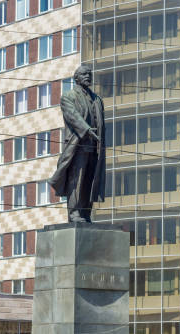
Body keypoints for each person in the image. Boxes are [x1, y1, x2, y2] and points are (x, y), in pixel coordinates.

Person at [49, 64, 105, 223]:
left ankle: (86, 213)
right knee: (77, 180)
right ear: (77, 78)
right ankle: (74, 213)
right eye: (84, 74)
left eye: (90, 73)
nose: (88, 76)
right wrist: (87, 130)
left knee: (90, 180)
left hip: (95, 147)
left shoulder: (97, 100)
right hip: (78, 145)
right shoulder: (68, 96)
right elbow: (73, 116)